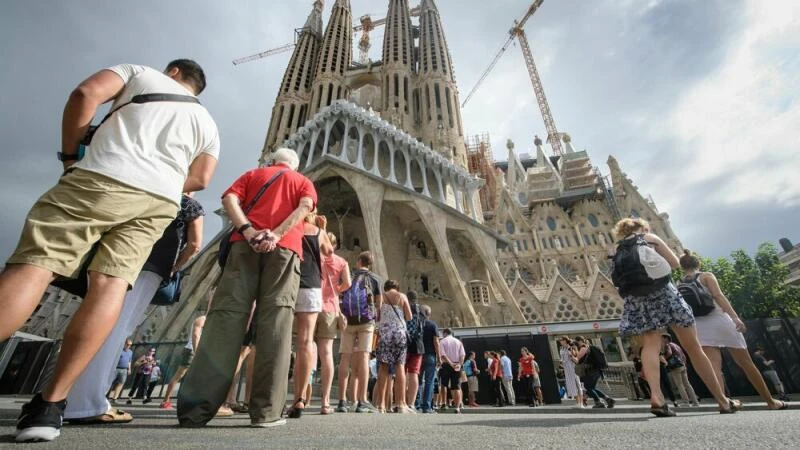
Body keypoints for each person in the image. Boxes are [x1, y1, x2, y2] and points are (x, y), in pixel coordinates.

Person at [4, 59, 219, 442]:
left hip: (104, 176)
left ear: (172, 73)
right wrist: (164, 177)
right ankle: (50, 407)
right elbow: (201, 178)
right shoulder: (209, 124)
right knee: (111, 287)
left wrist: (70, 158)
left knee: (35, 266)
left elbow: (84, 94)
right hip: (158, 202)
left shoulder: (140, 73)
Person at [178, 147, 316, 428]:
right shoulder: (302, 181)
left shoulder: (253, 174)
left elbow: (229, 198)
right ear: (294, 164)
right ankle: (266, 412)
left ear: (272, 160)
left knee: (225, 319)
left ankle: (195, 410)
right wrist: (276, 234)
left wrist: (249, 231)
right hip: (285, 250)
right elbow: (304, 208)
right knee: (276, 321)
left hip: (244, 246)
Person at [64, 193, 205, 423]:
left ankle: (61, 394)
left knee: (96, 320)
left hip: (111, 258)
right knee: (117, 328)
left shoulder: (138, 187)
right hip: (150, 267)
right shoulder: (186, 203)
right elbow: (195, 244)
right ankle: (86, 402)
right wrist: (175, 267)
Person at [613, 218, 739, 417]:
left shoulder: (620, 248)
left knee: (651, 345)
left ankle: (657, 397)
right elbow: (674, 264)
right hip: (665, 294)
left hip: (638, 300)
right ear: (642, 228)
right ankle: (723, 401)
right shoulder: (649, 238)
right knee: (694, 348)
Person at [680, 250, 788, 411]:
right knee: (746, 363)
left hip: (700, 325)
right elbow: (718, 296)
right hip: (720, 320)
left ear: (682, 267)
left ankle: (723, 402)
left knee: (714, 367)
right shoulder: (706, 276)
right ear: (698, 263)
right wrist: (735, 317)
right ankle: (770, 401)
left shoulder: (679, 283)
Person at [287, 211, 334, 419]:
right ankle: (299, 398)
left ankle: (276, 396)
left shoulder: (289, 226)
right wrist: (322, 228)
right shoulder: (318, 231)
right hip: (310, 286)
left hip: (288, 284)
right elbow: (329, 251)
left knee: (285, 341)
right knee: (305, 342)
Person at [335, 251, 382, 414]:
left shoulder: (350, 275)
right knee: (363, 356)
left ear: (358, 261)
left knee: (345, 357)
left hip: (348, 321)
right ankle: (362, 401)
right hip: (366, 322)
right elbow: (378, 304)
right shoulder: (375, 279)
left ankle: (342, 401)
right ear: (370, 264)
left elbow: (339, 293)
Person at [316, 233, 351, 415]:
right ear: (335, 245)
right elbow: (347, 283)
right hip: (330, 307)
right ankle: (325, 401)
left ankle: (300, 398)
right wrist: (336, 290)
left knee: (304, 348)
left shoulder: (313, 256)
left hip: (310, 305)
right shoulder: (341, 261)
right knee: (327, 352)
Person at [373, 280, 412, 413]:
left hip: (385, 333)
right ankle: (401, 404)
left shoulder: (382, 296)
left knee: (383, 366)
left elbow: (377, 316)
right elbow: (409, 316)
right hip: (400, 333)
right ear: (397, 287)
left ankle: (381, 405)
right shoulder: (402, 296)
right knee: (400, 366)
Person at [160, 315, 206, 410]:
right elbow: (196, 336)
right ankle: (165, 401)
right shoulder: (202, 319)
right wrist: (197, 352)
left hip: (197, 351)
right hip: (192, 351)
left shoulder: (208, 321)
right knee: (179, 375)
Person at [574, 336, 615, 409]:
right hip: (596, 370)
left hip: (591, 371)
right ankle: (608, 400)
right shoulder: (589, 348)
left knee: (588, 388)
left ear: (580, 341)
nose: (576, 344)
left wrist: (573, 351)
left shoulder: (584, 348)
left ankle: (599, 402)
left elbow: (577, 359)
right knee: (592, 388)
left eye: (576, 342)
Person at [661, 334, 699, 407]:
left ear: (666, 338)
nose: (661, 340)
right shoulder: (676, 345)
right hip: (682, 365)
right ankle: (695, 402)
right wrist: (684, 364)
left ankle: (686, 402)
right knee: (687, 384)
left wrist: (664, 358)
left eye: (662, 338)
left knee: (680, 385)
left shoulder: (668, 345)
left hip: (675, 366)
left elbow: (669, 353)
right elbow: (683, 355)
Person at [404, 290, 426, 410]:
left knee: (401, 372)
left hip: (405, 343)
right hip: (418, 345)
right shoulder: (422, 310)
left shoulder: (405, 307)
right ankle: (411, 403)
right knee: (414, 374)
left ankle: (401, 401)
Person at [438, 328, 466, 413]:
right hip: (457, 365)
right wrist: (459, 365)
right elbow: (462, 355)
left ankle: (444, 403)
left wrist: (450, 363)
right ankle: (457, 407)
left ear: (445, 333)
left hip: (446, 365)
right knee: (456, 386)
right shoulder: (458, 342)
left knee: (444, 384)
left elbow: (443, 355)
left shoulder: (442, 341)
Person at [419, 305, 440, 413]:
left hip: (418, 355)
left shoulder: (418, 324)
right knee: (429, 382)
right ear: (429, 313)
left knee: (417, 381)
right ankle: (426, 407)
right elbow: (436, 343)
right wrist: (439, 357)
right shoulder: (432, 325)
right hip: (430, 355)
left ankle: (416, 405)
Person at [558, 336, 584, 408]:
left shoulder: (571, 347)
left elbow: (575, 356)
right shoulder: (562, 348)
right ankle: (578, 402)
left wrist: (571, 352)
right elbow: (562, 358)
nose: (560, 341)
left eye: (561, 340)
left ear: (565, 340)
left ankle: (581, 403)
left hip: (572, 367)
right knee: (571, 385)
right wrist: (561, 362)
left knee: (577, 384)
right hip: (566, 368)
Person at [108, 340, 134, 404]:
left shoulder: (130, 352)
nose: (129, 346)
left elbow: (129, 361)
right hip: (116, 369)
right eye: (127, 344)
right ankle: (105, 396)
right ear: (124, 344)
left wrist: (129, 369)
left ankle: (114, 398)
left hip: (124, 370)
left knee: (120, 384)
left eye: (130, 345)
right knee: (109, 383)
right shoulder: (119, 351)